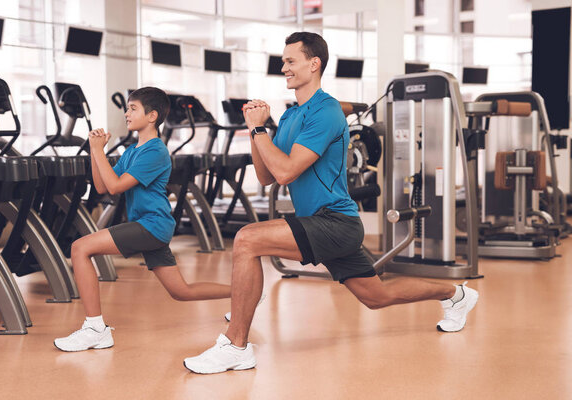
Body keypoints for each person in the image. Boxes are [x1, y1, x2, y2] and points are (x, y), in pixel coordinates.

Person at [183, 32, 479, 374]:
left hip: (335, 223)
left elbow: (286, 173)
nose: (284, 68)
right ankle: (456, 295)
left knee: (248, 240)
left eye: (290, 61)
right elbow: (265, 175)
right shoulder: (293, 116)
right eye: (283, 61)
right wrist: (255, 130)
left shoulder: (325, 112)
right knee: (376, 297)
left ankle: (236, 346)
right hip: (322, 223)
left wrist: (261, 131)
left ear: (314, 64)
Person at [54, 87, 231, 352]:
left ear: (152, 116)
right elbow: (102, 186)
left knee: (80, 248)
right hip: (150, 226)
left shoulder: (155, 151)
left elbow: (115, 187)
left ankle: (95, 328)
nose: (126, 113)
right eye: (127, 108)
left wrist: (99, 151)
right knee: (180, 291)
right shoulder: (132, 151)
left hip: (150, 224)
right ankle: (245, 292)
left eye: (132, 108)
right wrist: (94, 150)